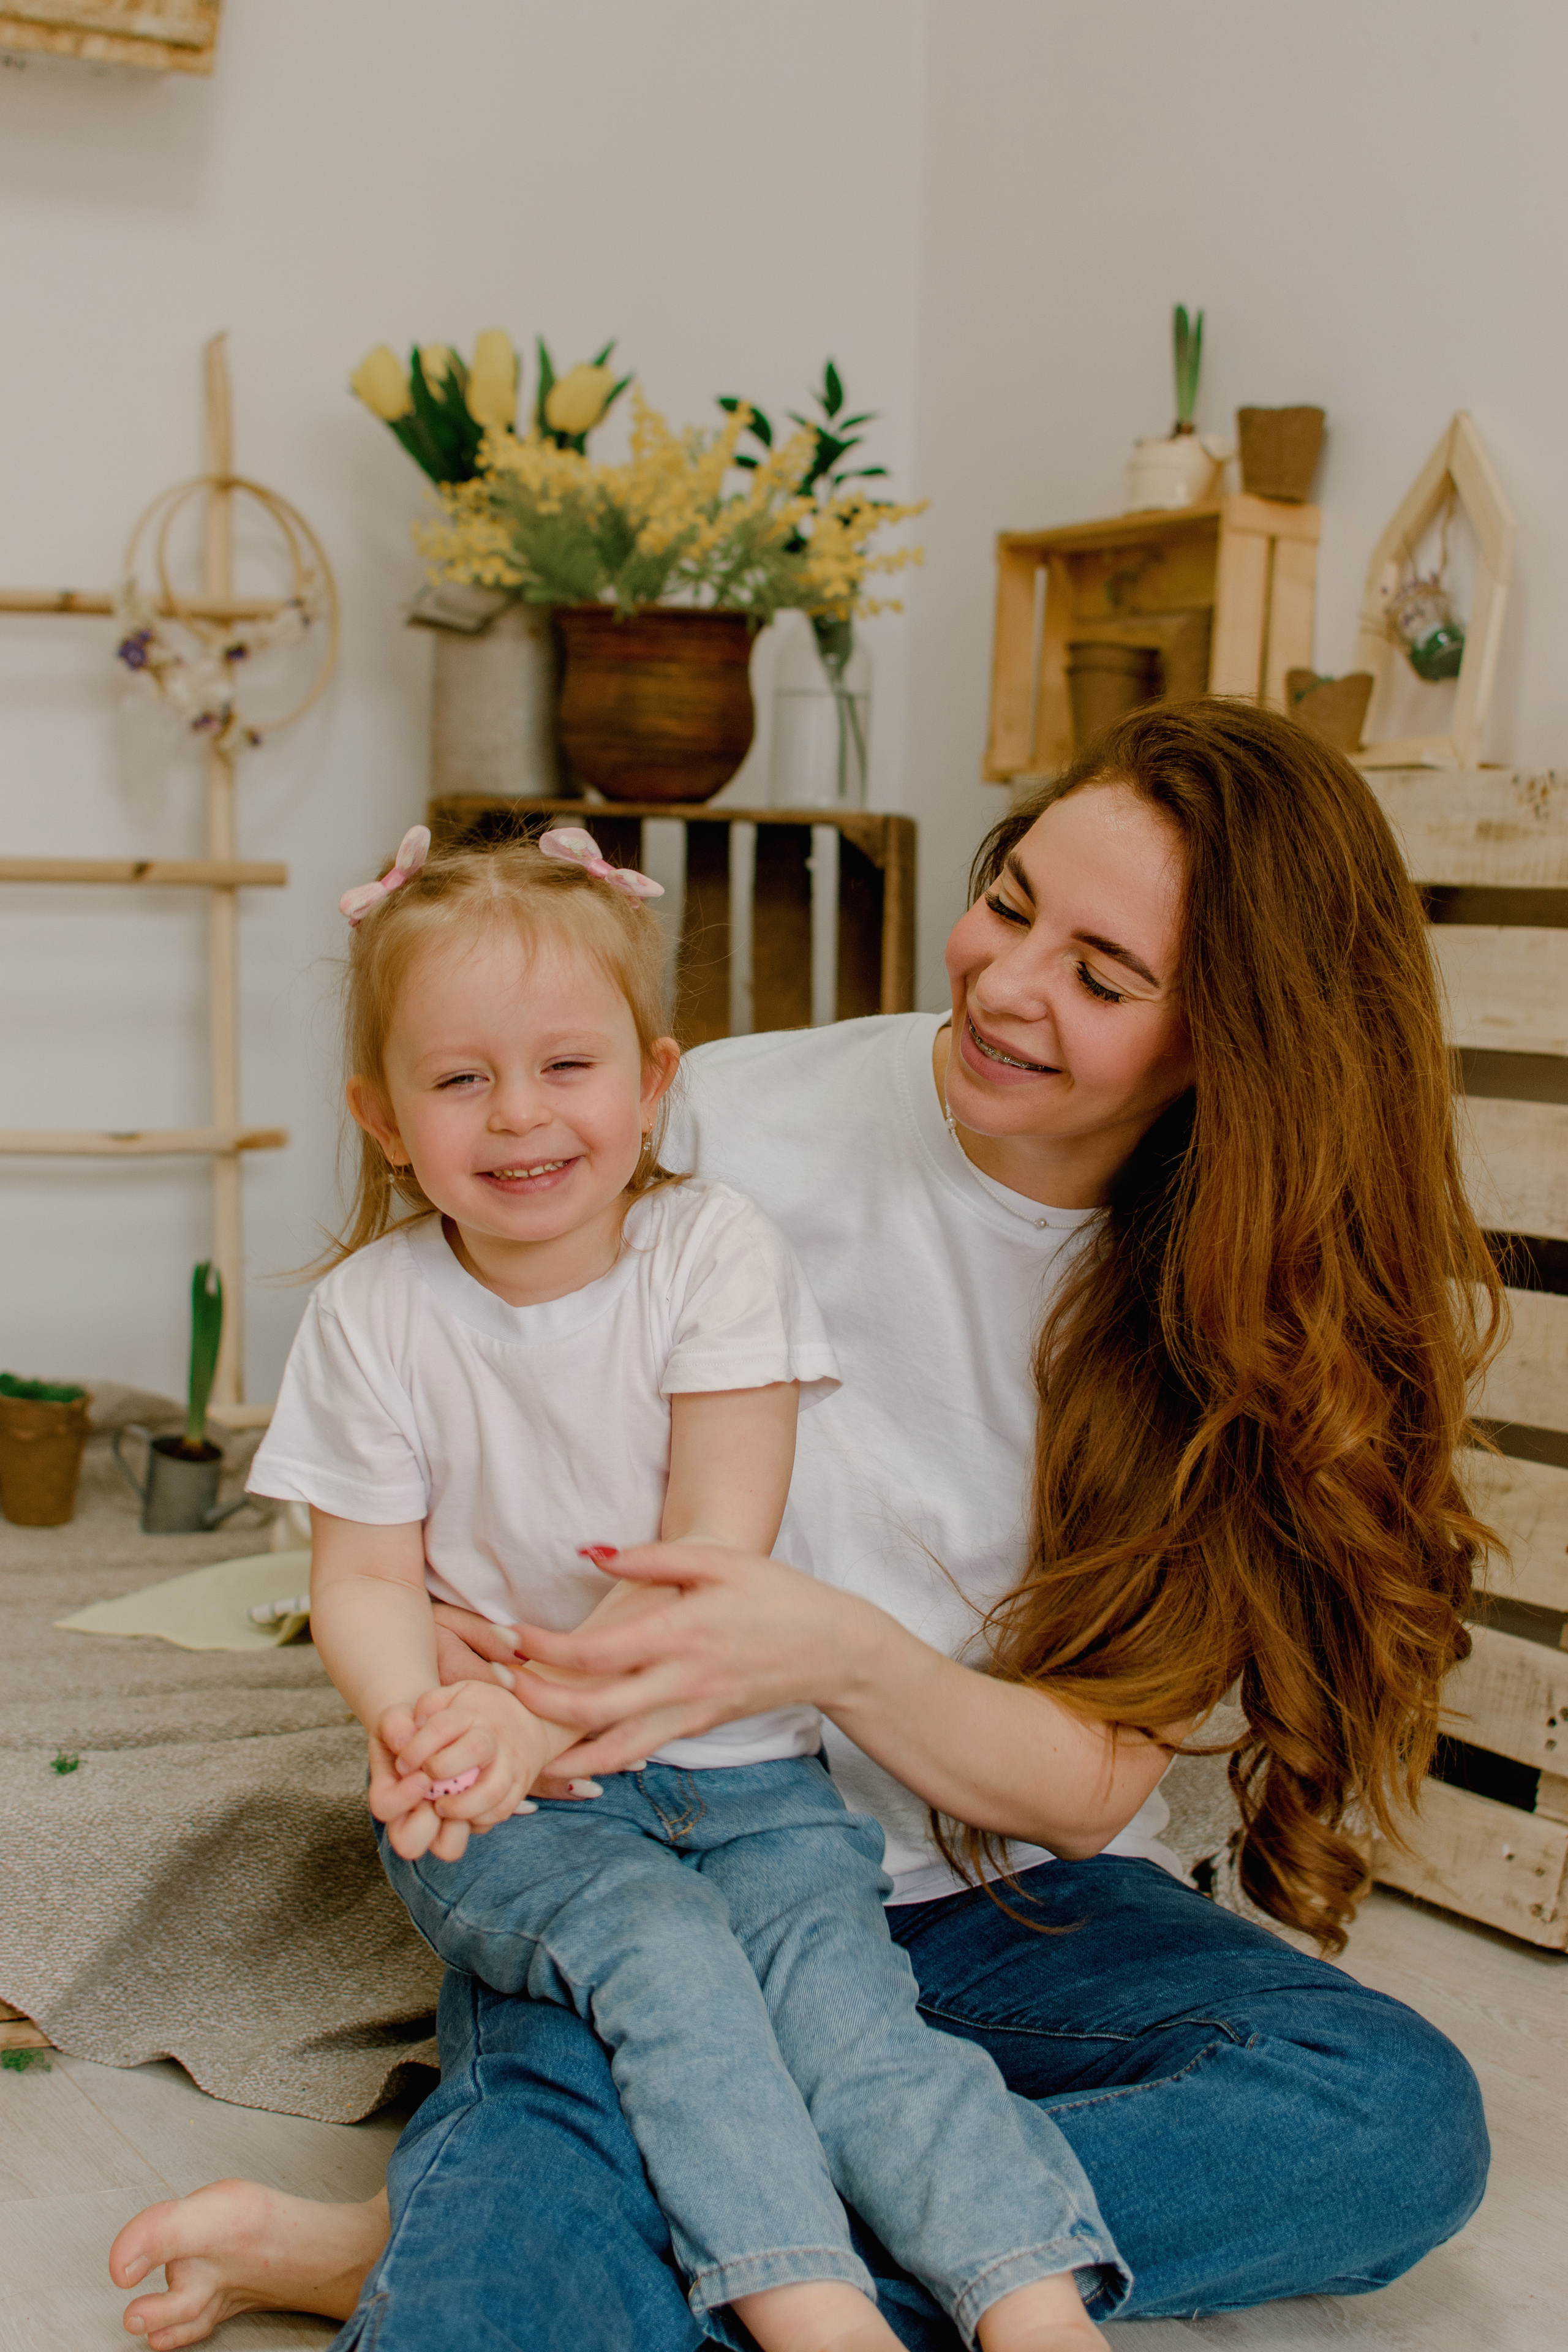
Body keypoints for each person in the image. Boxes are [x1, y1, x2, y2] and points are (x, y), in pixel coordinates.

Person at [112, 702, 1496, 2352]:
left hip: (990, 1907)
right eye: (1010, 896)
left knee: (1390, 2115)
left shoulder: (1236, 1315)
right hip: (631, 1840)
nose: (1002, 981)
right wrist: (446, 1640)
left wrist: (831, 1651)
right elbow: (442, 1405)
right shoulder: (707, 1123)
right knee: (594, 2124)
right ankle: (698, 2243)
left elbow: (1088, 1787)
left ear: (1234, 1040)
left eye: (1104, 977)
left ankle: (558, 2246)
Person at [238, 818, 1121, 2352]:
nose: (517, 1118)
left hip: (753, 1782)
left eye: (566, 1069)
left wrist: (544, 1710)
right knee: (672, 1979)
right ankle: (807, 2308)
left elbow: (712, 1541)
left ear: (655, 1085)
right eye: (459, 1081)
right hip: (515, 1812)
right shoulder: (374, 1317)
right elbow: (364, 1577)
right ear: (384, 1119)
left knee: (856, 2024)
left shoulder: (708, 1253)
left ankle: (1033, 2300)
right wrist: (428, 1719)